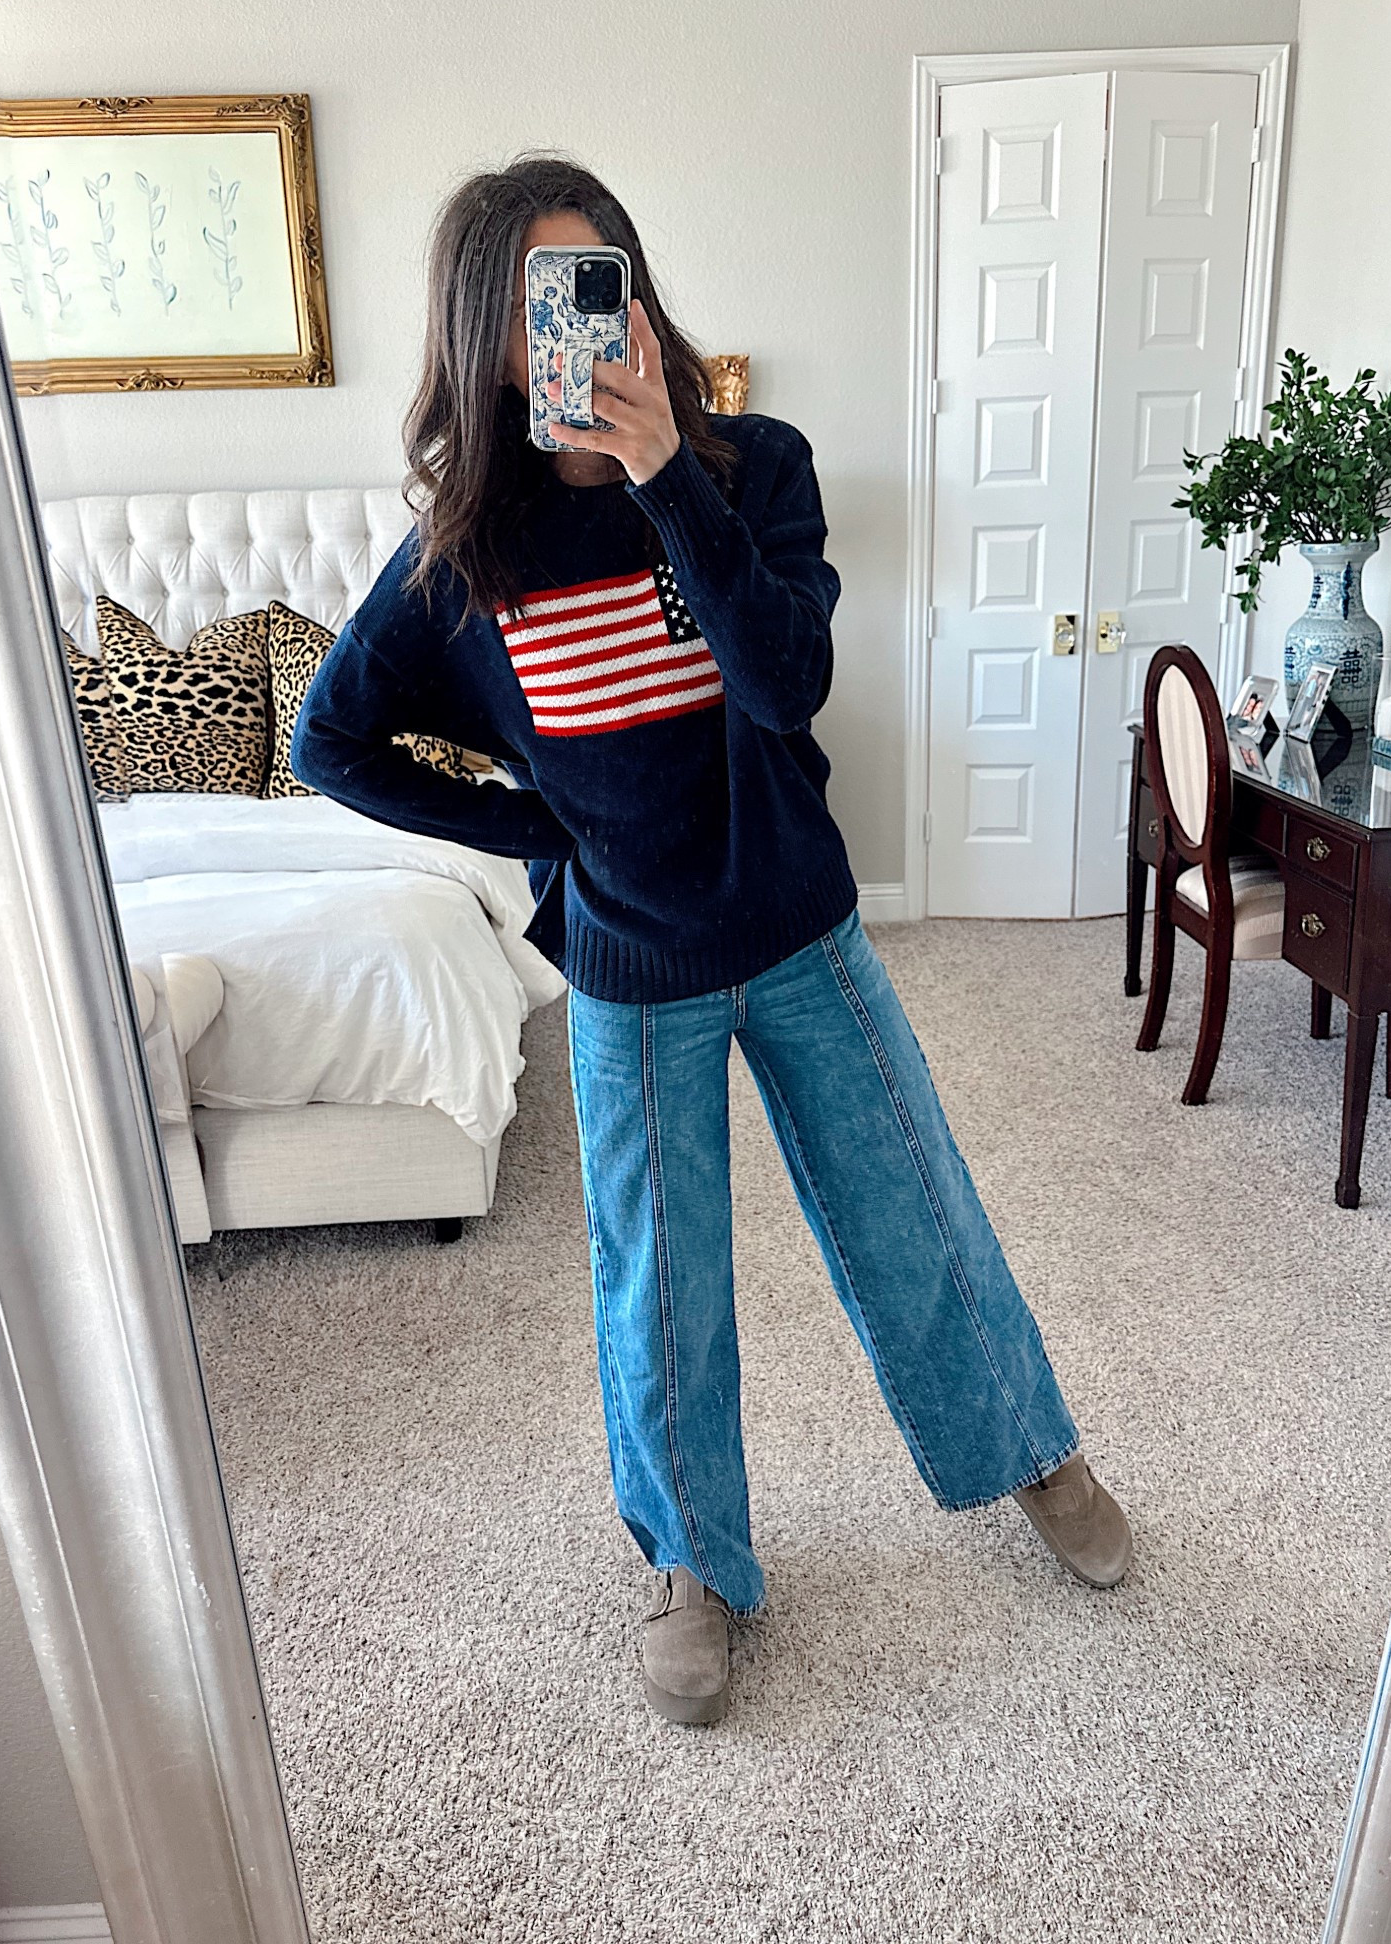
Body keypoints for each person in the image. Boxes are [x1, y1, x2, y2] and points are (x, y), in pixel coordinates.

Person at [294, 155, 1132, 1728]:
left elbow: (785, 680)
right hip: (629, 966)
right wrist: (533, 824)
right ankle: (693, 1561)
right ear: (488, 340)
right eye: (535, 306)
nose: (574, 328)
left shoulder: (755, 469)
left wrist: (670, 476)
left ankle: (1033, 1452)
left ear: (633, 292)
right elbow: (326, 741)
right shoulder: (466, 553)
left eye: (595, 282)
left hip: (801, 926)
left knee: (915, 1212)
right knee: (659, 1279)